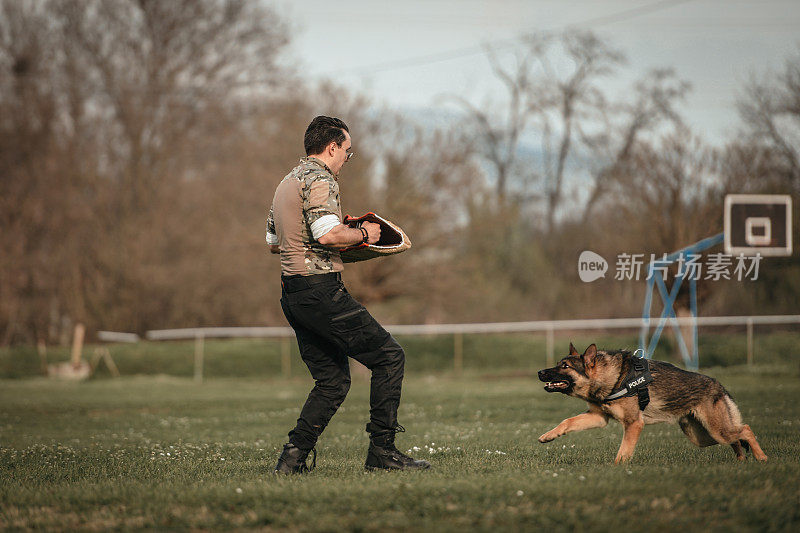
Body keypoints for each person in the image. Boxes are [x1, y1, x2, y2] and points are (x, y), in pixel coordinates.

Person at [266, 116, 430, 473]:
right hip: (321, 291)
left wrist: (334, 238)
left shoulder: (287, 182)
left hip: (293, 294)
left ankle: (291, 460)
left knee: (333, 381)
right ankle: (382, 453)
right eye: (347, 152)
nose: (346, 159)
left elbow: (274, 242)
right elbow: (327, 235)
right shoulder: (321, 179)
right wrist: (364, 233)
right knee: (389, 357)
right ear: (332, 147)